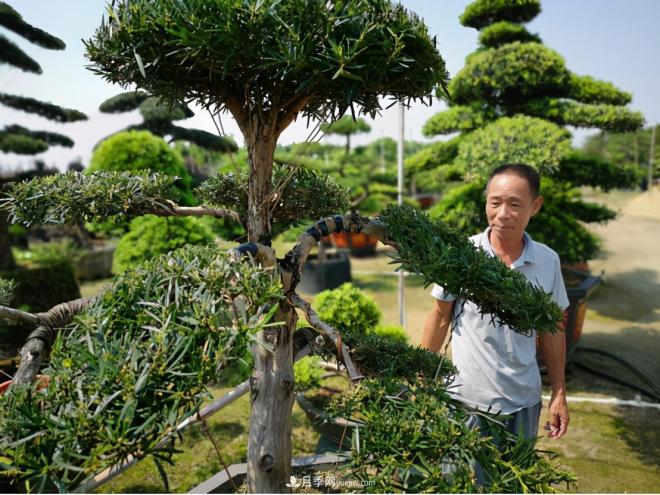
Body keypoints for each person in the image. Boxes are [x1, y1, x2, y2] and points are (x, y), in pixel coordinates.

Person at [422, 163, 570, 448]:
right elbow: (440, 318)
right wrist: (420, 377)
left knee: (511, 484)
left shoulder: (547, 261)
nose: (503, 214)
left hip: (524, 403)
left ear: (535, 205)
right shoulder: (461, 254)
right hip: (465, 401)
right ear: (486, 202)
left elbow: (553, 329)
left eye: (515, 204)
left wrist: (559, 392)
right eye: (495, 202)